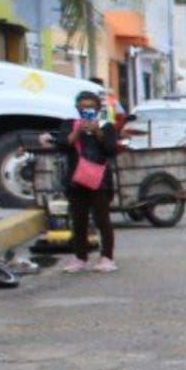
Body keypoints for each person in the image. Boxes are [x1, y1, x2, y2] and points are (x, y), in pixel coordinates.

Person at [52, 90, 120, 273]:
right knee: (78, 220)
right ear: (77, 109)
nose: (86, 111)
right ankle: (80, 257)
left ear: (98, 109)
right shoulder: (69, 125)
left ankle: (107, 257)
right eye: (82, 108)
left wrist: (97, 132)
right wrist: (76, 132)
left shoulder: (107, 127)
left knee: (102, 219)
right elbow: (62, 146)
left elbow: (111, 150)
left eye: (90, 108)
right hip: (76, 180)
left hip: (100, 180)